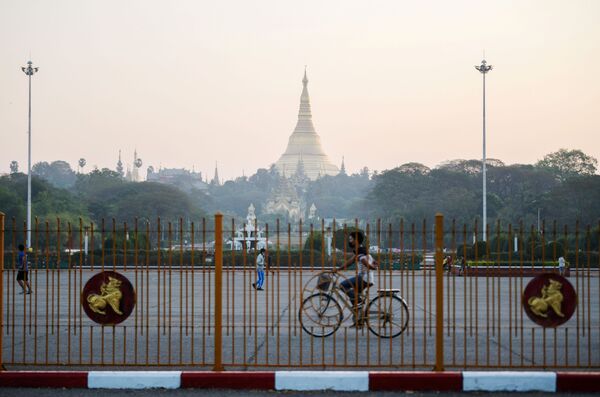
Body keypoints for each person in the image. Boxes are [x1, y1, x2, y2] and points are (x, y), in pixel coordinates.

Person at [335, 231, 378, 326]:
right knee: (354, 298)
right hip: (367, 279)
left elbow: (365, 262)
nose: (349, 241)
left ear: (356, 241)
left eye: (351, 239)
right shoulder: (361, 250)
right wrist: (338, 269)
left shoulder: (361, 253)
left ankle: (359, 303)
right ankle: (359, 320)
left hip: (363, 279)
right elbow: (349, 262)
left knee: (342, 286)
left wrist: (372, 267)